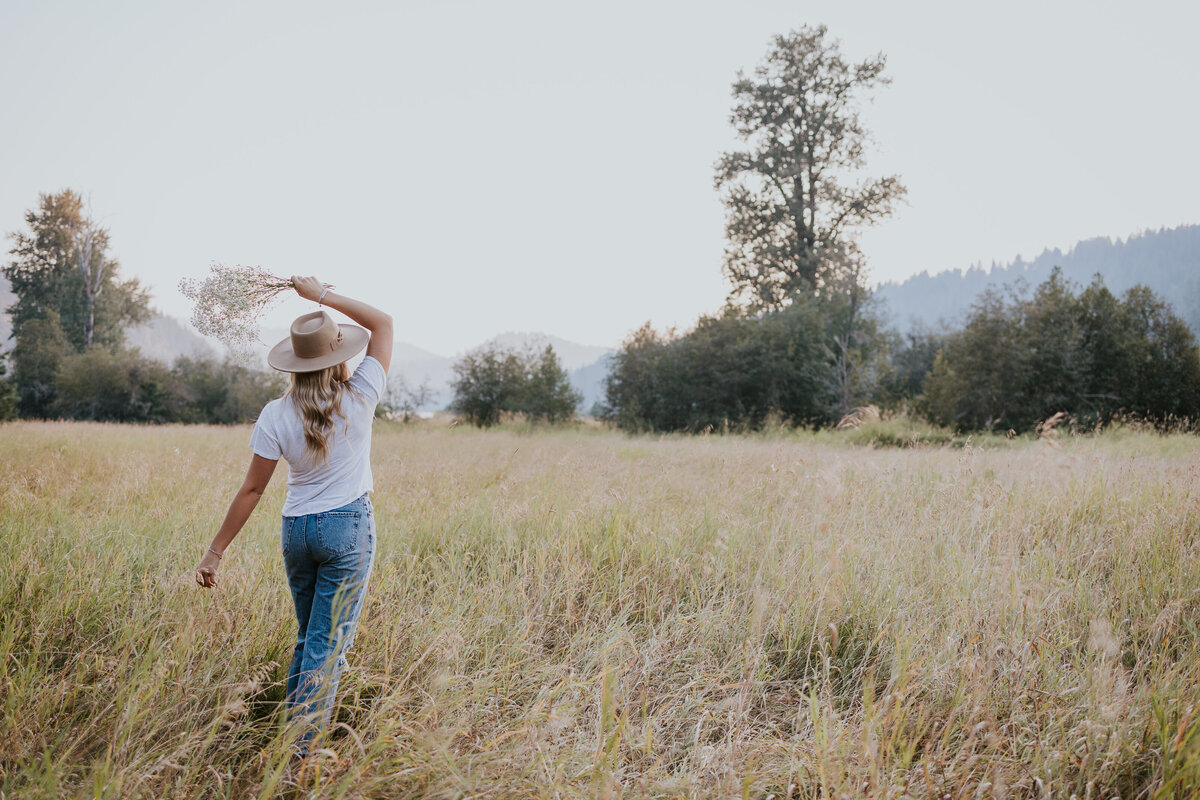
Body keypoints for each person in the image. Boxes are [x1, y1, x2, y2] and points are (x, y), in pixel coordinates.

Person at [194, 276, 393, 754]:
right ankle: (302, 756)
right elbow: (383, 322)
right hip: (347, 527)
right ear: (337, 355)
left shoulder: (274, 413)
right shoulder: (360, 393)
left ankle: (292, 738)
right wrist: (319, 295)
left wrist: (214, 552)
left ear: (295, 362)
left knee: (309, 641)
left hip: (297, 532)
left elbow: (252, 489)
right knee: (327, 650)